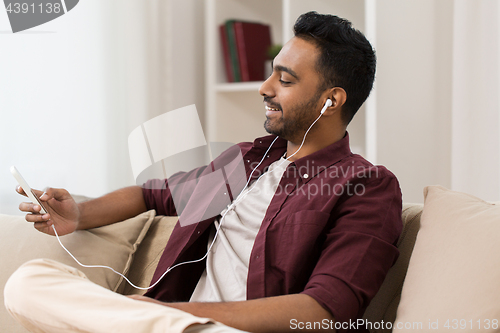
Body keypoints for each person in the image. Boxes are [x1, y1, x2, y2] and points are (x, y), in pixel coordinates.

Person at [4, 12, 402, 333]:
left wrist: (174, 314)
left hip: (208, 327)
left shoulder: (366, 186)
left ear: (330, 101)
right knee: (30, 281)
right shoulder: (246, 161)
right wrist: (78, 215)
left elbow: (323, 313)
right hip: (165, 323)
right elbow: (152, 195)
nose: (265, 88)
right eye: (271, 73)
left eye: (284, 79)